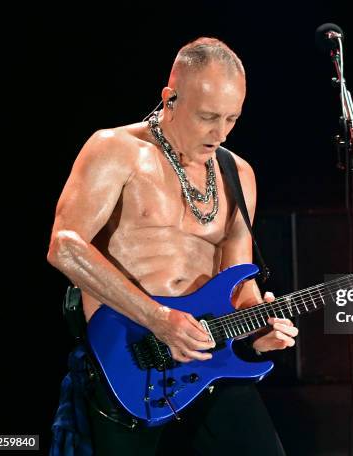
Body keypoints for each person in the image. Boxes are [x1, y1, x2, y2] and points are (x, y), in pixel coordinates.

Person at [47, 37, 297, 455]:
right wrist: (159, 318)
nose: (219, 133)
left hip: (208, 362)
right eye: (207, 117)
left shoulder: (239, 174)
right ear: (171, 98)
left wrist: (258, 328)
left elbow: (239, 284)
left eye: (232, 119)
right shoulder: (116, 150)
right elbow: (64, 246)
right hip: (128, 359)